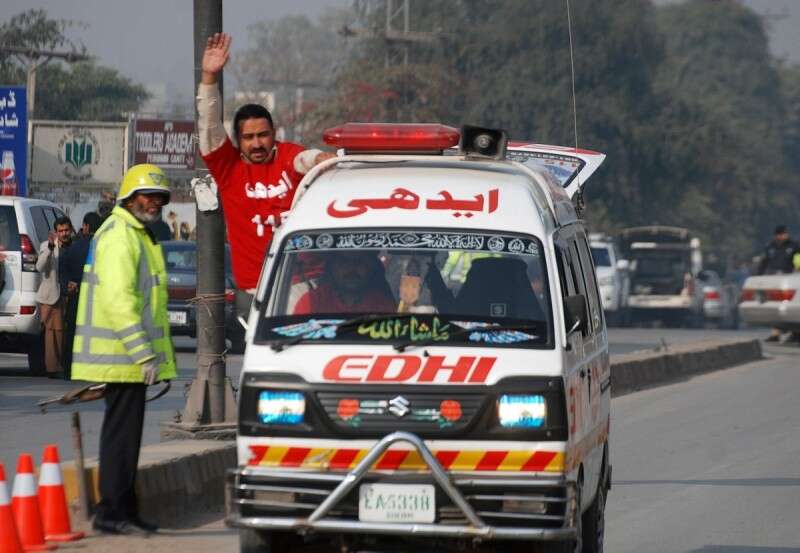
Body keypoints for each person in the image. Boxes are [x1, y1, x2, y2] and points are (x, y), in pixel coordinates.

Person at [197, 32, 335, 323]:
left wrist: (319, 159)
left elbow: (303, 159)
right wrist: (209, 77)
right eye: (248, 137)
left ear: (274, 134)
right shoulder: (229, 169)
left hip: (304, 285)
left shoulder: (287, 156)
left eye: (263, 135)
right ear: (238, 140)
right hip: (254, 288)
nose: (257, 143)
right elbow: (209, 126)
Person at [71, 164, 177, 536]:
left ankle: (126, 511)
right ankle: (110, 512)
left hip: (126, 358)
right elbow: (119, 302)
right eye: (148, 196)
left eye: (159, 198)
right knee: (120, 439)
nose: (155, 203)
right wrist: (143, 353)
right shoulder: (120, 235)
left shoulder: (137, 233)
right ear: (129, 198)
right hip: (121, 356)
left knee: (127, 439)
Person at [60, 212, 102, 379]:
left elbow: (63, 269)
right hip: (96, 298)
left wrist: (69, 285)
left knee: (72, 333)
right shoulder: (104, 247)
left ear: (85, 226)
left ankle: (69, 369)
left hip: (76, 296)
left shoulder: (74, 247)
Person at [293, 251, 395, 314]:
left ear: (369, 267)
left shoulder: (383, 304)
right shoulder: (312, 302)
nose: (352, 268)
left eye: (359, 262)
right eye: (344, 262)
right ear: (332, 267)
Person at [36, 216, 74, 378]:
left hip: (70, 295)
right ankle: (53, 369)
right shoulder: (47, 246)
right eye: (61, 231)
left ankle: (63, 366)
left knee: (64, 334)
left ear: (71, 230)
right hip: (52, 297)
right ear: (56, 232)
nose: (64, 234)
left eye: (66, 230)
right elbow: (39, 266)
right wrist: (51, 248)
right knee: (52, 334)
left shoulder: (75, 246)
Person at [756, 225, 800, 342]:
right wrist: (758, 276)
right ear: (776, 235)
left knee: (790, 305)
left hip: (789, 277)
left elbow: (798, 261)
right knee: (773, 305)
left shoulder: (794, 246)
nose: (784, 236)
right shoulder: (770, 246)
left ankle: (796, 332)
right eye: (781, 234)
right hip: (772, 278)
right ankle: (775, 334)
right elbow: (764, 262)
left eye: (785, 233)